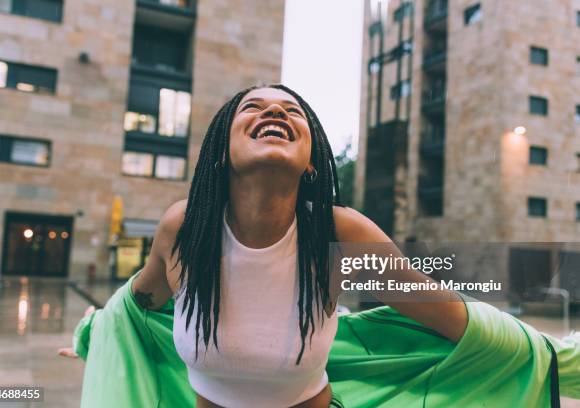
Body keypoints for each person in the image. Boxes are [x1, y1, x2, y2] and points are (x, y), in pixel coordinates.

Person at [59, 84, 580, 408]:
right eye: (254, 107)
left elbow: (449, 315)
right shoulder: (184, 229)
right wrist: (95, 336)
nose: (276, 112)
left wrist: (559, 357)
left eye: (293, 112)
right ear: (221, 150)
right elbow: (140, 301)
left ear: (312, 162)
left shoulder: (338, 235)